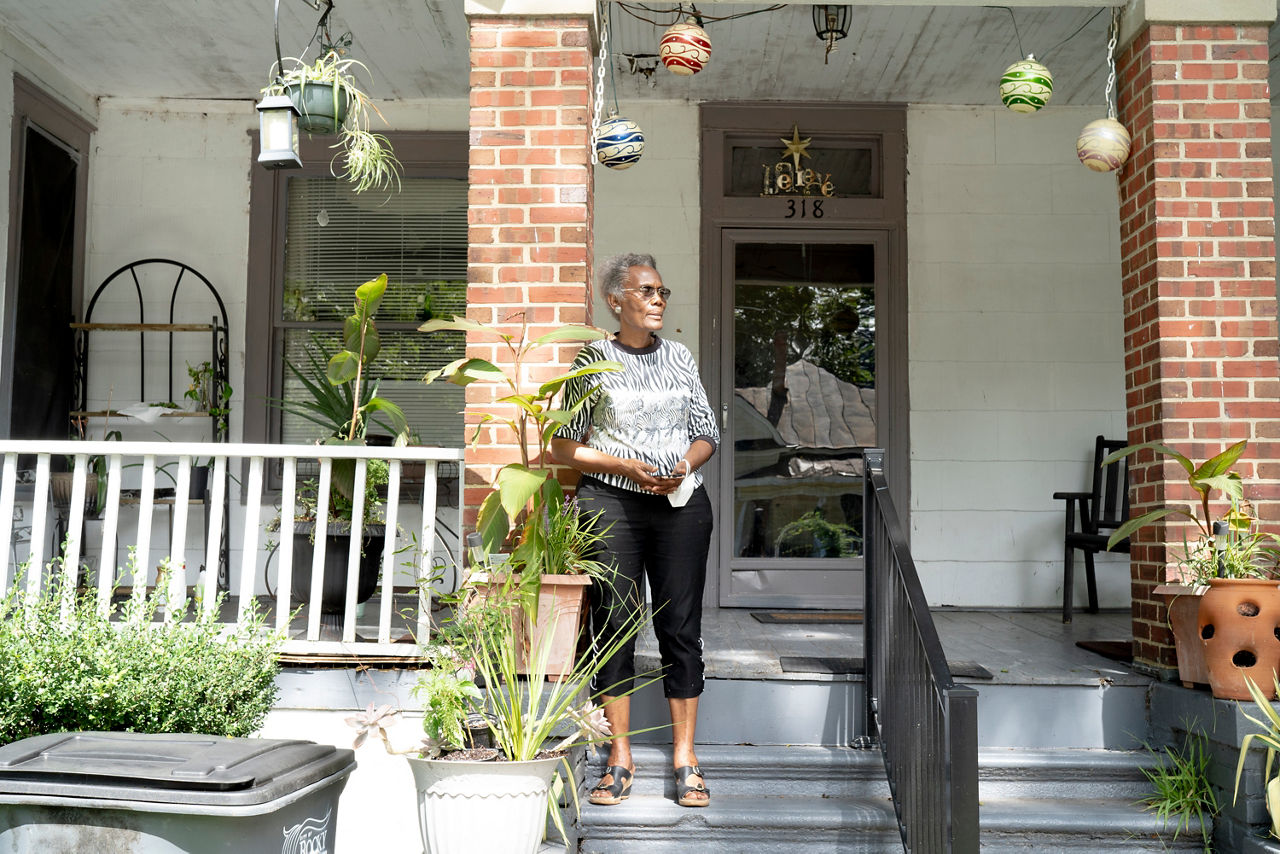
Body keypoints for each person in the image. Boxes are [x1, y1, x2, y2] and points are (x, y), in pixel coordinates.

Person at [551, 253, 719, 808]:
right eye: (646, 291)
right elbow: (564, 445)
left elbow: (706, 432)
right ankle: (618, 758)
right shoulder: (593, 359)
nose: (657, 301)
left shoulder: (679, 356)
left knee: (680, 628)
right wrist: (624, 466)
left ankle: (686, 758)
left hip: (679, 503)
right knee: (615, 626)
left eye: (662, 292)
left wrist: (684, 467)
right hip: (611, 504)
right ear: (615, 300)